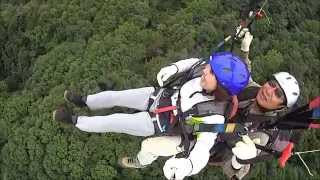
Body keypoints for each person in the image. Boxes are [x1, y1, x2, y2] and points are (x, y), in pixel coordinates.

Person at [118, 31, 300, 180]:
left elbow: (233, 171)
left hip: (201, 138)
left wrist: (241, 161)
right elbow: (245, 75)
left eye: (277, 94)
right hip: (200, 111)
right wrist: (245, 50)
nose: (269, 90)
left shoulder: (261, 133)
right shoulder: (254, 91)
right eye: (272, 84)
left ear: (280, 106)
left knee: (149, 146)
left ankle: (141, 161)